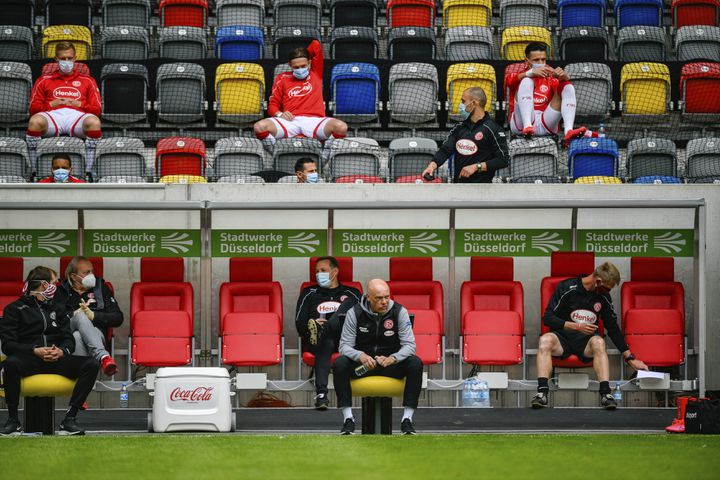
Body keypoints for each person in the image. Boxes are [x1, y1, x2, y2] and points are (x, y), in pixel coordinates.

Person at [532, 262, 649, 410]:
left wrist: (629, 358)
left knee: (599, 342)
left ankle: (606, 395)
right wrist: (575, 326)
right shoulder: (567, 288)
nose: (608, 292)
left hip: (586, 342)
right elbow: (548, 318)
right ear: (598, 281)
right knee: (544, 340)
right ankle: (542, 393)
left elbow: (612, 328)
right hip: (562, 339)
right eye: (607, 288)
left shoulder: (603, 297)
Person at [0, 266, 100, 436]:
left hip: (56, 359)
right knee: (10, 363)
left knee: (91, 364)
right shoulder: (14, 309)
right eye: (55, 282)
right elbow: (8, 345)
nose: (57, 286)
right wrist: (34, 350)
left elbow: (69, 339)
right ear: (44, 285)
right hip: (29, 359)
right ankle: (13, 421)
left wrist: (62, 351)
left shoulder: (58, 308)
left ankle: (69, 419)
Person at [333, 279, 423, 435]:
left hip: (389, 365)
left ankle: (407, 420)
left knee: (415, 363)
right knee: (339, 363)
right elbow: (344, 346)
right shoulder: (354, 313)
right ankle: (348, 419)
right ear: (368, 297)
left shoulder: (399, 311)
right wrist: (360, 356)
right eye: (379, 298)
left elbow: (410, 346)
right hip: (364, 365)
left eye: (387, 297)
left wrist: (393, 358)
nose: (384, 302)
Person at [253, 40, 347, 155]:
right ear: (290, 66)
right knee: (259, 127)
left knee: (341, 127)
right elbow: (272, 105)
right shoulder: (282, 78)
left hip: (315, 121)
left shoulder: (315, 73)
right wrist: (280, 114)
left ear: (309, 62)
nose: (300, 69)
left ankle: (324, 156)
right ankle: (276, 154)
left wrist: (302, 54)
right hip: (290, 121)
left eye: (303, 66)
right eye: (296, 67)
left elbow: (316, 45)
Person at [27, 41, 102, 179]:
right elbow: (33, 109)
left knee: (94, 122)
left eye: (69, 58)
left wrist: (79, 104)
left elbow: (97, 110)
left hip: (77, 116)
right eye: (62, 58)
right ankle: (34, 170)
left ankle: (89, 171)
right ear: (56, 59)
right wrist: (52, 104)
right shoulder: (43, 80)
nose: (66, 61)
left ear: (75, 58)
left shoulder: (88, 80)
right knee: (34, 122)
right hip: (52, 115)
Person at [295, 256, 361, 409]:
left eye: (323, 270)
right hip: (317, 340)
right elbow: (299, 323)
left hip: (347, 339)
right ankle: (321, 394)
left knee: (348, 304)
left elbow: (364, 319)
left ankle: (326, 327)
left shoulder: (352, 293)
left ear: (335, 272)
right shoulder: (308, 293)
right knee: (325, 341)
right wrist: (313, 324)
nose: (319, 274)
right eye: (317, 271)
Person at [505, 43, 598, 146]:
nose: (540, 63)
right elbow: (509, 81)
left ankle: (568, 132)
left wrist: (564, 78)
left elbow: (564, 92)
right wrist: (530, 73)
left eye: (543, 59)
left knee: (567, 86)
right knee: (526, 81)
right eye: (536, 60)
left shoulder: (550, 77)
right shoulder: (520, 75)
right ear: (527, 61)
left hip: (544, 123)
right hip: (520, 124)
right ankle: (528, 126)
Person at [421, 87, 509, 183]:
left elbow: (503, 160)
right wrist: (432, 166)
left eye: (463, 101)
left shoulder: (493, 129)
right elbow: (445, 151)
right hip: (458, 188)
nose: (461, 105)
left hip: (483, 190)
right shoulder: (459, 128)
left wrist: (477, 167)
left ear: (474, 103)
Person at [54, 256, 122, 376]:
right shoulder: (60, 291)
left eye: (92, 271)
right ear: (73, 276)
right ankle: (103, 357)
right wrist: (74, 314)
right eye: (86, 272)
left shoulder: (101, 288)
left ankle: (81, 376)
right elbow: (53, 319)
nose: (91, 275)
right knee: (80, 316)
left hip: (95, 334)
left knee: (78, 336)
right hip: (66, 333)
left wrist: (94, 316)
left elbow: (118, 318)